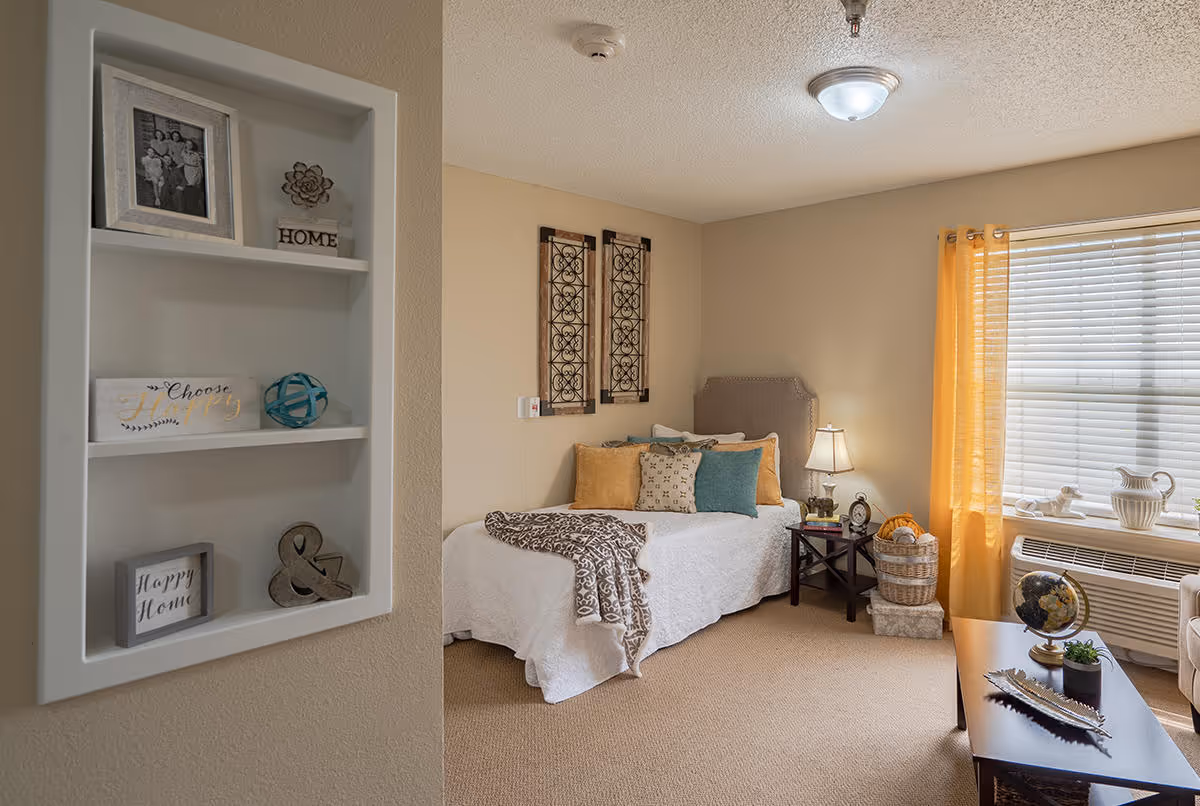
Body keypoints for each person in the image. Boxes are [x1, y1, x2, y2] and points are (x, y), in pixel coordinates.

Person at [180, 139, 205, 216]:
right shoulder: (183, 152)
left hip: (195, 171)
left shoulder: (196, 154)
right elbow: (185, 160)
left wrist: (200, 174)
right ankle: (188, 207)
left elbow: (199, 164)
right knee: (189, 187)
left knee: (194, 187)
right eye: (187, 144)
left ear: (193, 146)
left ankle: (194, 206)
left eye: (191, 144)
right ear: (185, 144)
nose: (189, 145)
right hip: (187, 170)